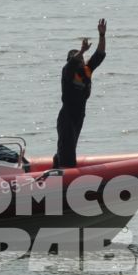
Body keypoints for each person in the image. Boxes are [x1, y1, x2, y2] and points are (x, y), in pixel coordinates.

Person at [52, 17, 107, 170]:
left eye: (81, 59)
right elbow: (71, 64)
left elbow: (100, 53)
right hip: (67, 115)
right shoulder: (67, 72)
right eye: (76, 59)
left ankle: (57, 164)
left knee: (69, 147)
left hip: (79, 114)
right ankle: (61, 175)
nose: (79, 62)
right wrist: (81, 50)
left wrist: (102, 35)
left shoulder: (87, 70)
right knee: (67, 150)